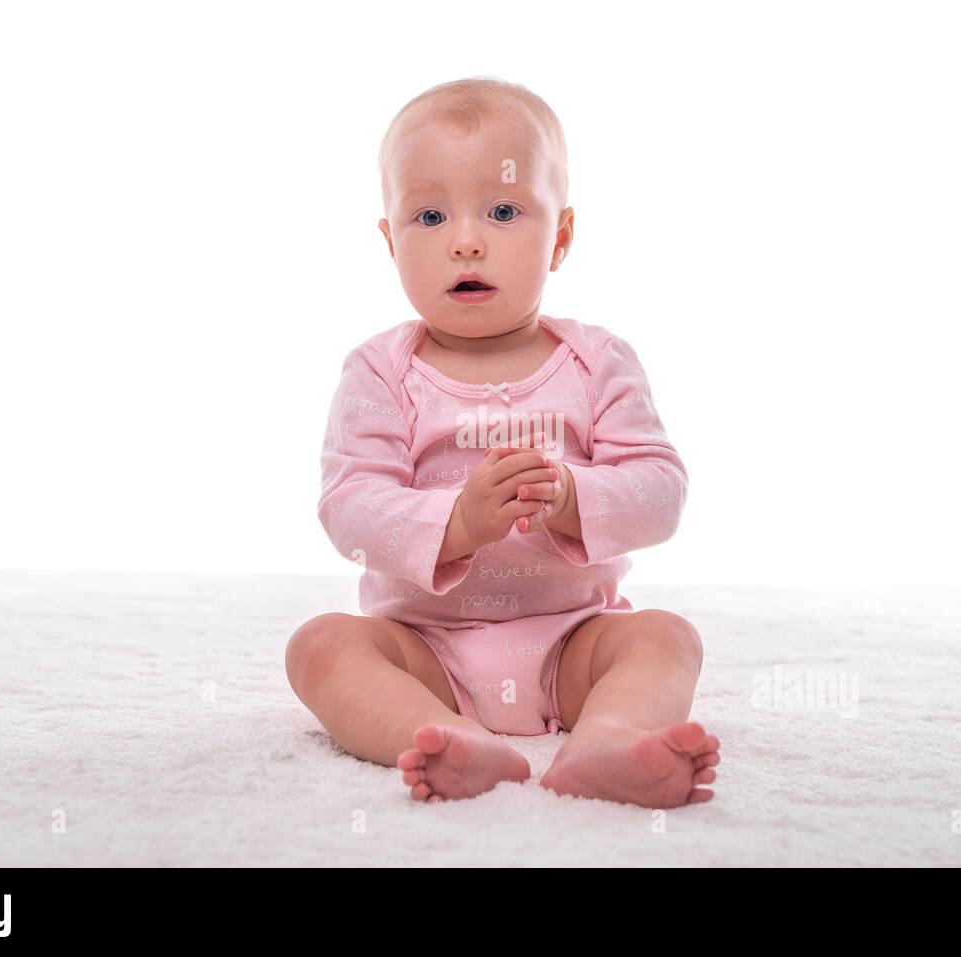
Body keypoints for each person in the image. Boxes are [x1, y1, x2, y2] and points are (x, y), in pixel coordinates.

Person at [286, 76, 719, 808]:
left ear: (561, 237)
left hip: (573, 639)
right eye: (428, 215)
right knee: (319, 647)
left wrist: (574, 497)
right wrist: (455, 524)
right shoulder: (379, 372)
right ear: (391, 242)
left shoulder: (598, 362)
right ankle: (441, 733)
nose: (465, 239)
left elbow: (661, 491)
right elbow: (349, 506)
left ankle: (608, 739)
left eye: (504, 209)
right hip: (424, 646)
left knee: (666, 637)